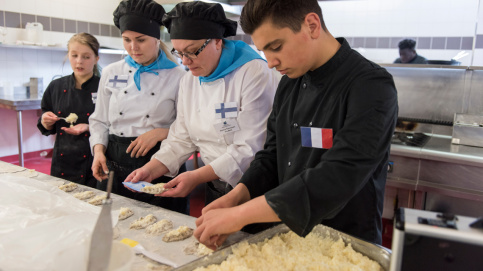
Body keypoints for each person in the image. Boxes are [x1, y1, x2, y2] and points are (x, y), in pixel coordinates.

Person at [194, 0, 398, 249]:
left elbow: (339, 175)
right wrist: (238, 196)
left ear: (312, 25)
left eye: (276, 47)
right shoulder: (290, 83)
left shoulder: (371, 85)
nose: (270, 62)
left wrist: (241, 215)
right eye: (264, 52)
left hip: (347, 244)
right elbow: (272, 155)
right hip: (290, 237)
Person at [124, 1, 279, 206]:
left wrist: (196, 177)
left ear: (217, 41)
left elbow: (251, 148)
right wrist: (151, 168)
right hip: (214, 184)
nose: (185, 62)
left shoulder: (253, 73)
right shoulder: (190, 80)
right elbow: (181, 137)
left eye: (192, 51)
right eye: (179, 53)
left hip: (257, 189)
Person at [89, 0, 188, 213]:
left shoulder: (178, 76)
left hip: (160, 159)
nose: (133, 47)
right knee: (114, 225)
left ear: (157, 38)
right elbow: (99, 119)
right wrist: (98, 151)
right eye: (127, 40)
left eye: (141, 40)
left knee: (163, 227)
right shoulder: (111, 72)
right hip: (114, 160)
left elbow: (189, 126)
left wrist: (161, 132)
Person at [37, 32, 100, 188]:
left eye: (86, 57)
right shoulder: (56, 86)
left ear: (96, 59)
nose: (79, 61)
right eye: (74, 55)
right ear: (68, 56)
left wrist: (88, 127)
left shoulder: (104, 87)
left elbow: (115, 125)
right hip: (63, 161)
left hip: (94, 160)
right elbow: (45, 121)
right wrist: (46, 121)